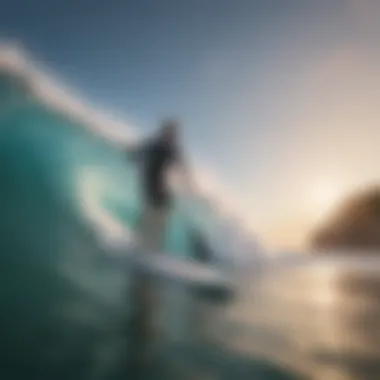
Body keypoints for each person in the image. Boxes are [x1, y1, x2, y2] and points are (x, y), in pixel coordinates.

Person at [125, 119, 193, 371]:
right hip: (149, 189)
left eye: (175, 133)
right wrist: (132, 155)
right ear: (164, 132)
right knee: (148, 218)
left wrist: (190, 184)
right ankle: (142, 248)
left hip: (161, 192)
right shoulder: (152, 144)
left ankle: (152, 252)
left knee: (160, 217)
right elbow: (133, 154)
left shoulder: (173, 150)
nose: (173, 136)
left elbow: (184, 169)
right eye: (170, 132)